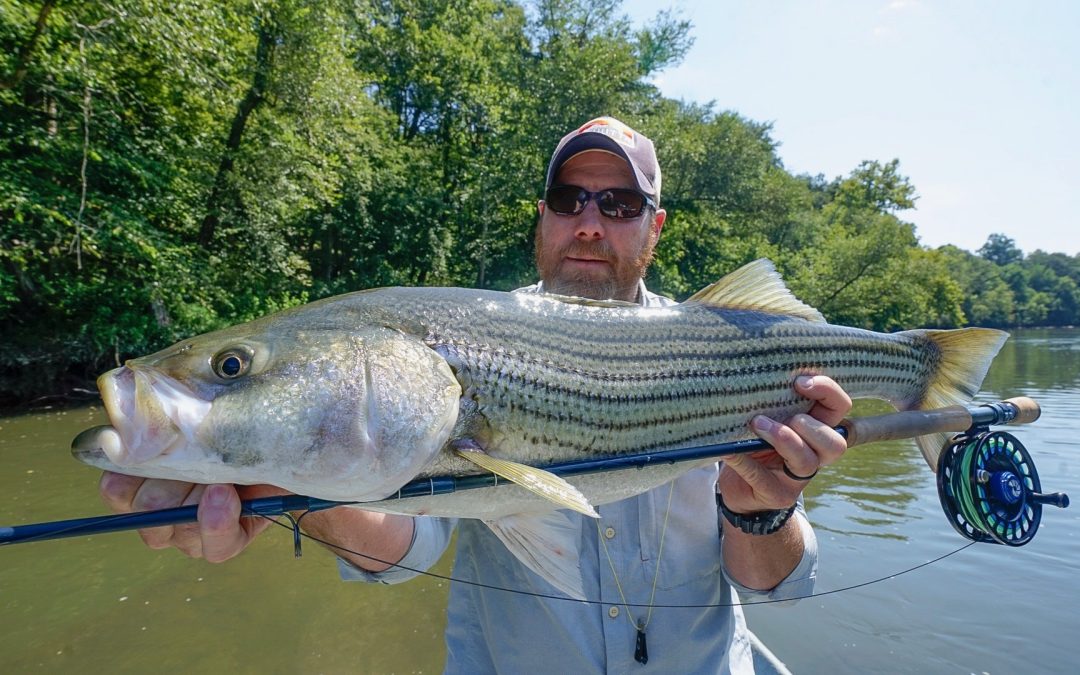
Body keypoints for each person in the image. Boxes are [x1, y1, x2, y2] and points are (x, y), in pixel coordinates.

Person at [100, 116, 851, 672]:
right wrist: (293, 488)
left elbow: (778, 584)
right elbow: (403, 551)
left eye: (618, 204)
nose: (589, 223)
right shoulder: (468, 333)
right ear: (543, 216)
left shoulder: (731, 350)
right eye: (568, 198)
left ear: (653, 228)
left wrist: (764, 504)